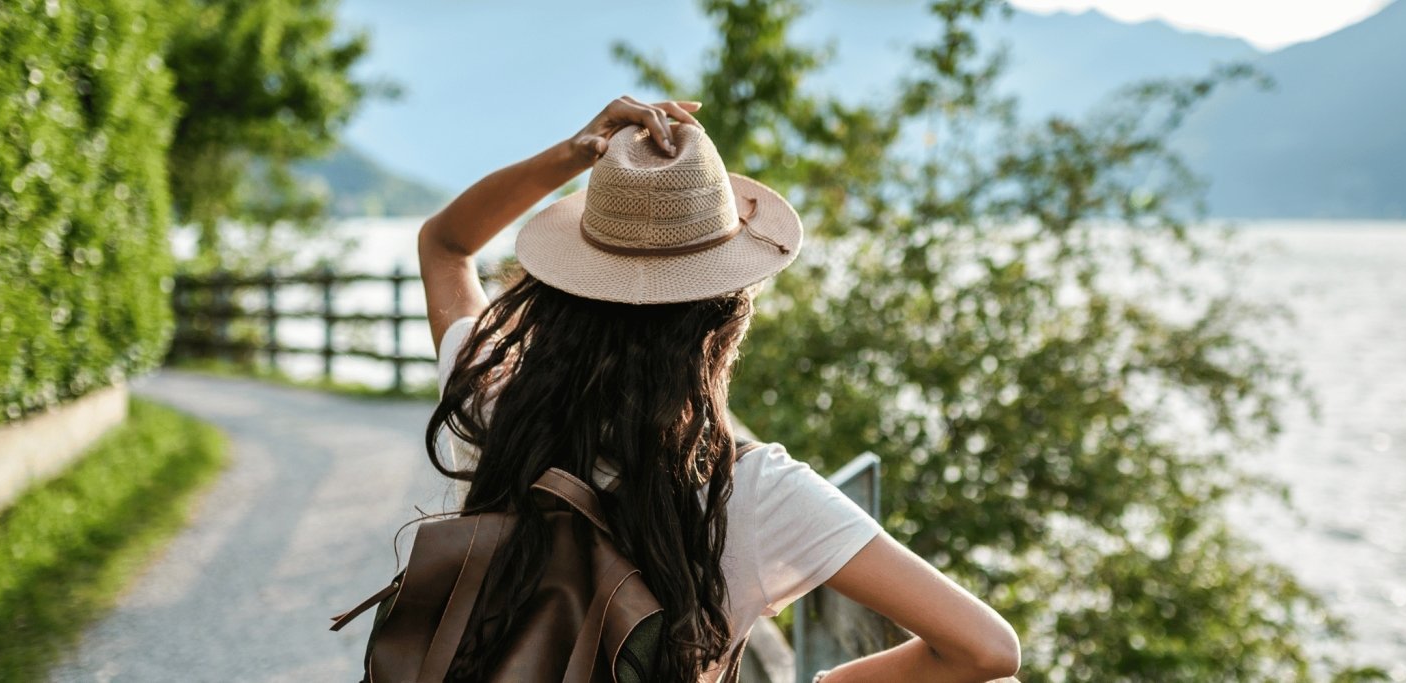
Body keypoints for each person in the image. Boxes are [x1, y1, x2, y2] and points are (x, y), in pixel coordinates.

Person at [417, 96, 1021, 682]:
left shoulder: (494, 405)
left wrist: (578, 152)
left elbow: (445, 243)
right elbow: (988, 652)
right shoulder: (756, 490)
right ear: (725, 319)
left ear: (563, 291)